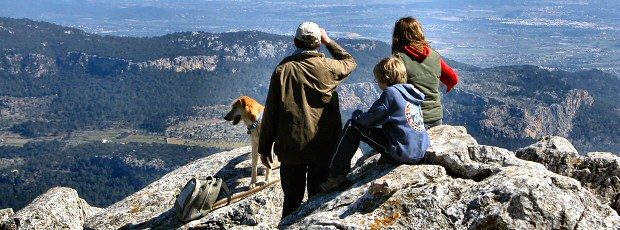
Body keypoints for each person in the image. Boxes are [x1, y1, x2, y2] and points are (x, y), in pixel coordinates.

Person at [258, 21, 357, 218]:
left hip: (290, 148)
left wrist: (264, 147)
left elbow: (271, 112)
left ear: (295, 42)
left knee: (292, 201)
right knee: (316, 202)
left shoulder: (282, 71)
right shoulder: (328, 67)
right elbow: (350, 61)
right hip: (322, 147)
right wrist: (329, 42)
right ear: (318, 44)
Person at [320, 57, 430, 193]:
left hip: (403, 152)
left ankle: (336, 176)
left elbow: (370, 119)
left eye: (377, 80)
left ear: (384, 79)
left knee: (352, 126)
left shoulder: (391, 93)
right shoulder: (411, 92)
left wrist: (357, 114)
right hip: (419, 150)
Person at [392, 16, 459, 129]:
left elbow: (393, 91)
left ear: (397, 37)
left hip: (411, 119)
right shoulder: (434, 55)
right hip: (436, 118)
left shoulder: (398, 59)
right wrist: (448, 84)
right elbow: (453, 79)